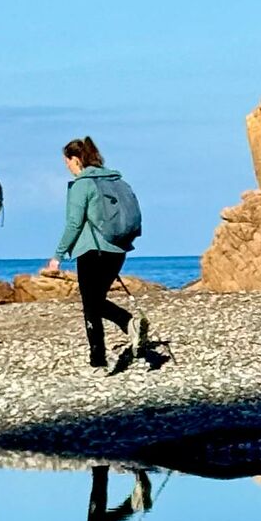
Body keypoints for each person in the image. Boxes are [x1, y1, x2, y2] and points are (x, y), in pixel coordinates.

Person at [44, 137, 150, 374]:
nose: (68, 168)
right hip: (118, 249)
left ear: (76, 159)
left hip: (92, 250)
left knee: (91, 306)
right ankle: (128, 324)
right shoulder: (117, 180)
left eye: (68, 163)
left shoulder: (83, 184)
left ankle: (98, 361)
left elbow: (73, 223)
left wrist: (57, 256)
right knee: (97, 300)